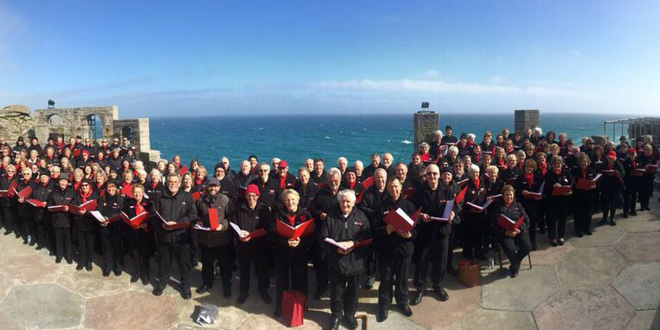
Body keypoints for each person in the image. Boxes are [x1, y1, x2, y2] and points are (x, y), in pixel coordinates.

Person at [320, 189, 371, 330]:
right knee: (337, 291)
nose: (345, 204)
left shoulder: (361, 217)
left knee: (353, 292)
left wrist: (354, 243)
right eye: (342, 201)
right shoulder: (331, 217)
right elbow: (323, 238)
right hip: (336, 262)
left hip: (356, 262)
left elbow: (367, 237)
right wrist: (335, 249)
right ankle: (336, 315)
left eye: (348, 201)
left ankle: (349, 314)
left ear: (354, 202)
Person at [410, 164, 458, 305]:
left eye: (435, 174)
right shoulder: (419, 191)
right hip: (425, 231)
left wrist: (452, 213)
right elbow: (413, 209)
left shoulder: (447, 189)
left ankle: (438, 286)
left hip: (442, 231)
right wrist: (420, 215)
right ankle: (420, 288)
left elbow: (453, 206)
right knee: (422, 261)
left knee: (441, 261)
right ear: (426, 176)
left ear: (439, 175)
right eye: (429, 174)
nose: (432, 176)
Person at [152, 173, 198, 299]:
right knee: (164, 262)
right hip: (164, 236)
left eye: (175, 182)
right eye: (170, 182)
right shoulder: (160, 196)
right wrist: (161, 225)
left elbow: (193, 215)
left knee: (184, 264)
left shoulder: (187, 197)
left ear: (179, 183)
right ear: (167, 183)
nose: (172, 184)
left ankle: (185, 286)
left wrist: (178, 223)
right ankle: (162, 283)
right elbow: (153, 215)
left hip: (181, 237)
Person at [375, 178, 415, 322]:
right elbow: (374, 230)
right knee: (386, 279)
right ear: (387, 188)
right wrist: (386, 229)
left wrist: (410, 234)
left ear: (401, 187)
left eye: (396, 187)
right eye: (391, 187)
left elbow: (417, 229)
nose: (394, 189)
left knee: (402, 279)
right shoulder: (380, 207)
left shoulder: (409, 206)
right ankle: (384, 305)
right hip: (386, 250)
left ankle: (402, 302)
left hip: (404, 249)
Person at [269, 189, 313, 318]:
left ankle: (301, 304)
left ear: (298, 200)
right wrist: (285, 242)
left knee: (300, 280)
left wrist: (301, 241)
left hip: (300, 253)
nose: (290, 202)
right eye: (287, 200)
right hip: (282, 253)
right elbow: (271, 235)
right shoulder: (277, 215)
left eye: (293, 199)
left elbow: (313, 235)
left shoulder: (306, 214)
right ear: (284, 201)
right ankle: (280, 305)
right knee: (281, 281)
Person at [232, 184, 272, 305]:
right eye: (249, 195)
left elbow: (269, 226)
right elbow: (233, 224)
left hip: (260, 246)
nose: (251, 198)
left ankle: (263, 290)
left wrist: (260, 233)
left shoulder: (263, 209)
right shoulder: (239, 208)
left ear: (258, 196)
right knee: (244, 271)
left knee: (262, 271)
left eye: (254, 195)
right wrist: (239, 234)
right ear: (245, 196)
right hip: (244, 246)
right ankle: (244, 292)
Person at [194, 178, 234, 297]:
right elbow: (196, 214)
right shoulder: (200, 200)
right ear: (207, 187)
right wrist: (199, 221)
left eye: (215, 186)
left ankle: (226, 285)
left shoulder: (225, 200)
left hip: (221, 238)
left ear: (219, 187)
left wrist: (223, 225)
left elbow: (231, 217)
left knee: (224, 264)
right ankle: (207, 283)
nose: (213, 188)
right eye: (210, 186)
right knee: (207, 264)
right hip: (206, 238)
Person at [311, 168, 342, 300]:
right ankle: (321, 287)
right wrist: (320, 214)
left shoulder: (345, 193)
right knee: (322, 262)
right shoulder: (321, 192)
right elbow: (313, 208)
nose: (333, 182)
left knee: (338, 263)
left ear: (340, 180)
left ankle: (337, 288)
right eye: (330, 180)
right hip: (324, 233)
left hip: (340, 234)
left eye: (335, 180)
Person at [358, 168, 388, 290]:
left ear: (386, 178)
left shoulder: (389, 190)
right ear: (374, 179)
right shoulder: (368, 193)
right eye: (377, 177)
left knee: (386, 252)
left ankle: (385, 273)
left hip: (387, 226)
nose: (380, 180)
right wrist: (377, 213)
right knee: (372, 254)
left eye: (382, 177)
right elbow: (363, 208)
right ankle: (371, 275)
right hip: (373, 227)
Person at [493, 185, 531, 278]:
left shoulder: (518, 205)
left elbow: (527, 220)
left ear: (513, 195)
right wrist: (505, 232)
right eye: (506, 195)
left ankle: (515, 263)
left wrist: (519, 230)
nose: (509, 197)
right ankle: (515, 267)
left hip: (518, 231)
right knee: (510, 249)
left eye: (510, 195)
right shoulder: (498, 207)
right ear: (503, 196)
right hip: (505, 233)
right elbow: (493, 225)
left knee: (528, 246)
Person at [122, 184, 153, 284]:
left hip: (144, 233)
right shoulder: (128, 203)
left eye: (139, 192)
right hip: (133, 233)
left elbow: (153, 218)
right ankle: (137, 273)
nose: (137, 194)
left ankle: (146, 274)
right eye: (135, 192)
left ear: (143, 193)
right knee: (135, 255)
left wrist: (146, 224)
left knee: (144, 255)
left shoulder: (149, 204)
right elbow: (125, 216)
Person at [96, 180, 125, 277]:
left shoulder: (120, 199)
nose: (111, 189)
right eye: (109, 187)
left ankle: (118, 267)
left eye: (113, 187)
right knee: (106, 249)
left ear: (116, 188)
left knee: (117, 248)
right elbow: (98, 211)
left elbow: (122, 212)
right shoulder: (102, 199)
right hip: (104, 227)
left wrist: (111, 217)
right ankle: (107, 267)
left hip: (116, 227)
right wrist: (101, 219)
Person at [460, 165, 488, 260]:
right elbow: (462, 200)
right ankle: (468, 254)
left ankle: (478, 253)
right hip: (470, 214)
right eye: (472, 172)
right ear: (469, 174)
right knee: (469, 236)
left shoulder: (483, 183)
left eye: (476, 172)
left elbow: (485, 196)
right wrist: (468, 209)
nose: (475, 174)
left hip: (480, 214)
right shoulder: (466, 185)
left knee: (479, 235)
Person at [544, 156, 573, 246]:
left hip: (564, 200)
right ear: (552, 164)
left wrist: (570, 191)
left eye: (559, 163)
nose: (557, 165)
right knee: (551, 220)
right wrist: (553, 186)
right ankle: (552, 237)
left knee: (562, 219)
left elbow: (572, 183)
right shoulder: (548, 174)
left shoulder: (566, 172)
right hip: (552, 201)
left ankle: (561, 236)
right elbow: (545, 187)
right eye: (555, 163)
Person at [514, 159, 544, 250]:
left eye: (531, 167)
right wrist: (521, 192)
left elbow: (541, 190)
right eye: (527, 167)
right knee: (522, 225)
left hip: (534, 204)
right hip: (523, 204)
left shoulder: (538, 178)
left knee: (532, 224)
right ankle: (522, 243)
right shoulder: (520, 178)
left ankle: (533, 242)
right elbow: (516, 191)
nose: (529, 169)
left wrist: (540, 196)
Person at [71, 178, 100, 271]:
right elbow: (72, 207)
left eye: (86, 185)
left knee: (90, 244)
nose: (84, 187)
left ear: (90, 186)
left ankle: (89, 262)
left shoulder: (95, 196)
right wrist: (77, 211)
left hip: (90, 223)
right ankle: (82, 261)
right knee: (81, 244)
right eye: (82, 185)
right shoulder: (77, 195)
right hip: (79, 223)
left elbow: (98, 209)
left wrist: (86, 212)